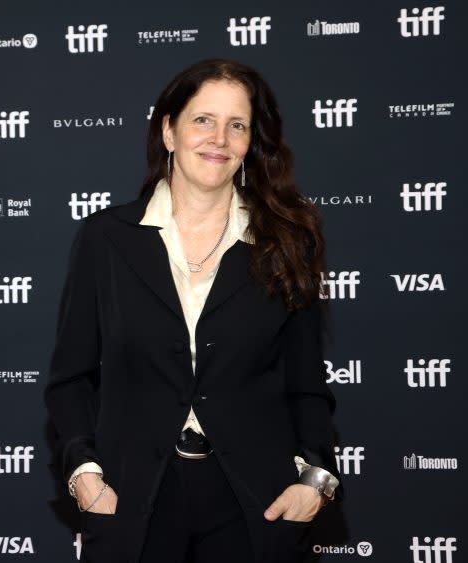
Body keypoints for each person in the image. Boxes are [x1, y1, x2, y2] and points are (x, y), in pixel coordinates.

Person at [44, 59, 342, 563]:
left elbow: (306, 386)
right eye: (203, 119)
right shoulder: (107, 239)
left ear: (251, 142)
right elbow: (69, 379)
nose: (219, 138)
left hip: (256, 504)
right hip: (132, 499)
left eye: (237, 124)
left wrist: (316, 481)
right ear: (168, 130)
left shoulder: (286, 244)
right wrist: (86, 475)